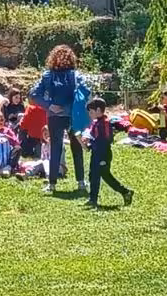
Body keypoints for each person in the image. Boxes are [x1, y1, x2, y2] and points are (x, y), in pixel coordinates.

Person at [31, 44, 88, 194]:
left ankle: (52, 184)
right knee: (76, 148)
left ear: (52, 59)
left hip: (54, 115)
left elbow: (33, 94)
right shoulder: (76, 75)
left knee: (55, 148)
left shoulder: (47, 75)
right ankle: (81, 182)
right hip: (72, 116)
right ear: (71, 59)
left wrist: (50, 105)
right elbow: (86, 91)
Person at [84, 98, 135, 208]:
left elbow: (104, 140)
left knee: (105, 176)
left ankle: (125, 192)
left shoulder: (104, 123)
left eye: (91, 112)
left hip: (103, 153)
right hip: (96, 153)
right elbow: (93, 137)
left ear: (98, 110)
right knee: (93, 175)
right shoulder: (95, 123)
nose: (89, 114)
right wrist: (88, 142)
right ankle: (92, 199)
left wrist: (91, 143)